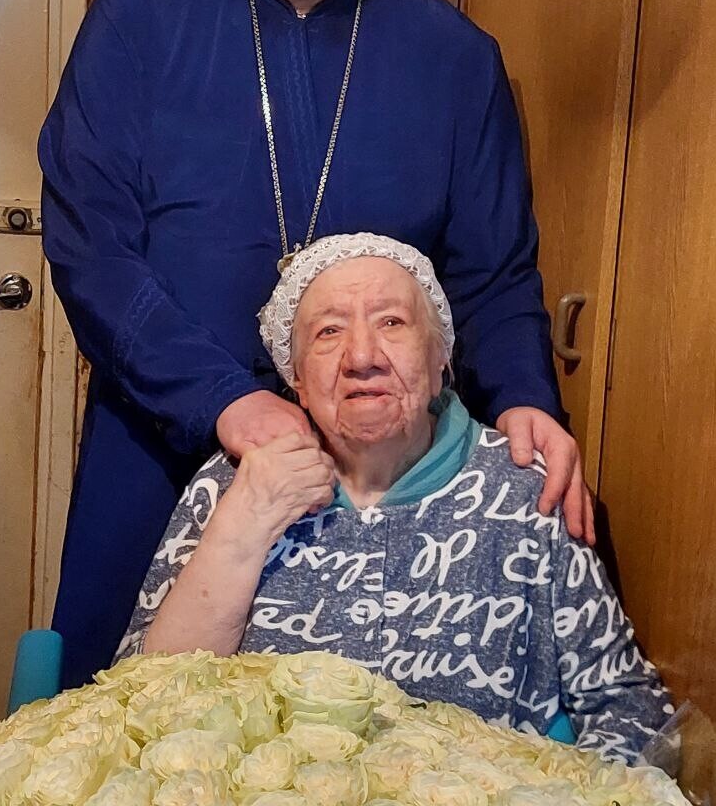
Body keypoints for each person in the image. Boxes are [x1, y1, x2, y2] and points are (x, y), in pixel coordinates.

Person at [38, 0, 593, 687]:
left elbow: (495, 276)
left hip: (379, 480)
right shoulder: (137, 20)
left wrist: (524, 399)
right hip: (156, 448)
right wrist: (223, 400)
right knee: (128, 719)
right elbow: (92, 252)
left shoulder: (456, 59)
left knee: (355, 730)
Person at [117, 234, 672, 765]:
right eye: (328, 332)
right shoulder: (232, 482)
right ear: (297, 380)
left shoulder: (523, 488)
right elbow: (136, 705)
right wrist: (246, 524)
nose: (362, 356)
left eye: (391, 322)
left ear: (439, 360)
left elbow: (627, 707)